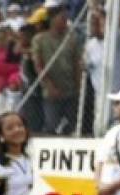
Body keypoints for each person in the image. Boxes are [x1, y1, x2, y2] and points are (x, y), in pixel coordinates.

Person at [31, 4, 82, 135]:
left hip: (70, 89)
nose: (65, 20)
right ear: (52, 19)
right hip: (51, 91)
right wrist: (49, 86)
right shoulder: (39, 39)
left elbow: (77, 63)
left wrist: (78, 86)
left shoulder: (72, 39)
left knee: (72, 124)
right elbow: (38, 65)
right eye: (62, 17)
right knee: (51, 124)